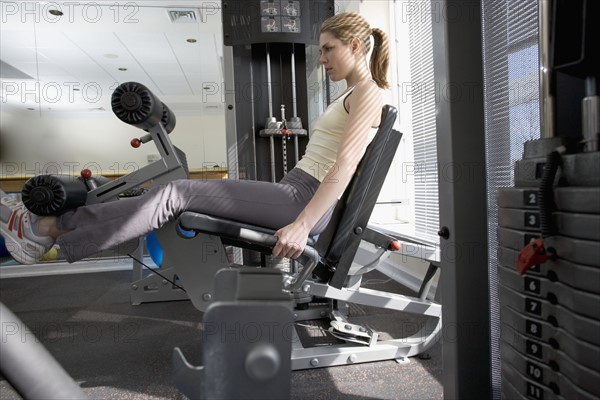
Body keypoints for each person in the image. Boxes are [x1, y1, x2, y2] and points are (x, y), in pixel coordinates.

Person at [1, 12, 390, 265]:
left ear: (355, 46)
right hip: (297, 191)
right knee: (170, 197)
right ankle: (50, 230)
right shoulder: (351, 94)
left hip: (303, 199)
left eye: (328, 49)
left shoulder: (369, 93)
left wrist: (303, 225)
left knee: (176, 195)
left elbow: (344, 166)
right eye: (320, 50)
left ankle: (46, 231)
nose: (322, 58)